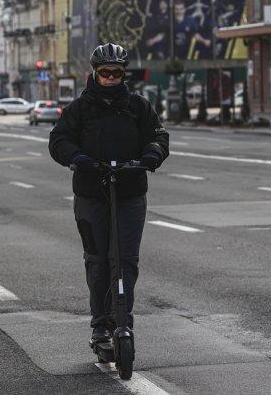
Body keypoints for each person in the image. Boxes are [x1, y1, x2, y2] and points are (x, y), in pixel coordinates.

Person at [48, 43, 169, 347]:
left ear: (123, 74)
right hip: (91, 195)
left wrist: (152, 155)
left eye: (117, 72)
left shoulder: (139, 106)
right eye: (106, 73)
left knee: (125, 260)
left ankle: (122, 320)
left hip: (129, 193)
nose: (111, 78)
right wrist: (78, 158)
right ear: (96, 74)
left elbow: (158, 136)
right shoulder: (80, 108)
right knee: (98, 261)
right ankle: (101, 324)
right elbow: (59, 140)